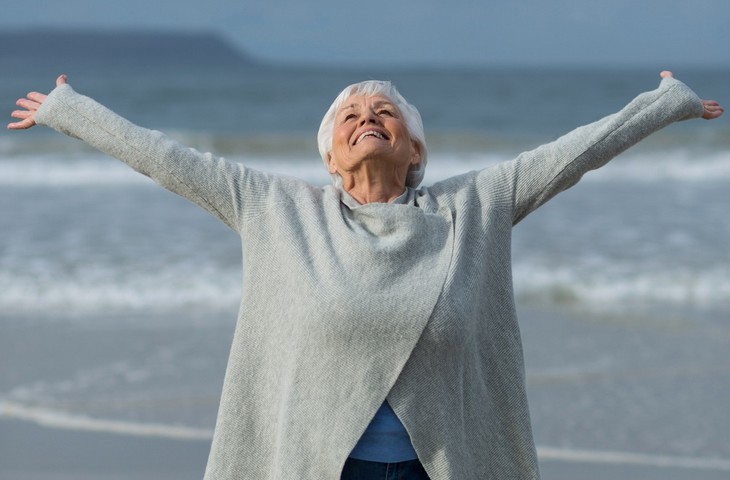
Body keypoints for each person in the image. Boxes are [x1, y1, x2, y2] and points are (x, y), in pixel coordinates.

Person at [8, 71, 723, 480]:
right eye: (349, 115)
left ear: (415, 151)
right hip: (323, 466)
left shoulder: (473, 205)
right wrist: (71, 112)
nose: (366, 118)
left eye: (385, 112)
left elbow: (574, 153)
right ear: (329, 158)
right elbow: (168, 159)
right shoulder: (276, 208)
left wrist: (666, 103)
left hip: (438, 468)